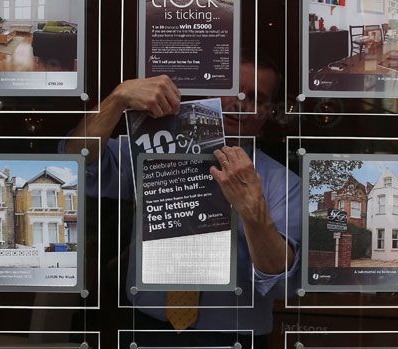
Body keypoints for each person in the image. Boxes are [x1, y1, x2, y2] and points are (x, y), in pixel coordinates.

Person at [61, 55, 301, 348]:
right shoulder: (155, 149)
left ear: (266, 114)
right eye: (232, 88)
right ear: (210, 92)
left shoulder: (284, 184)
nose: (239, 101)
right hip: (146, 329)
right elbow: (77, 165)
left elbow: (283, 284)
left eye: (255, 97)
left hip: (235, 339)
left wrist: (253, 210)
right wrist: (118, 97)